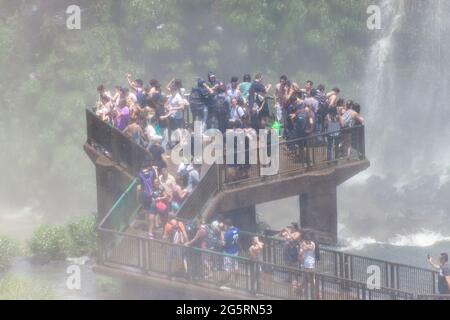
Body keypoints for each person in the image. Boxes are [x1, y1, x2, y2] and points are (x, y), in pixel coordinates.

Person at [222, 218, 240, 285]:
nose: (224, 227)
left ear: (227, 225)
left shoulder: (227, 234)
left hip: (228, 252)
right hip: (235, 251)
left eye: (225, 226)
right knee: (236, 266)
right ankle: (236, 282)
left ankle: (226, 281)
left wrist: (222, 233)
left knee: (228, 268)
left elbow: (223, 243)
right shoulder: (237, 230)